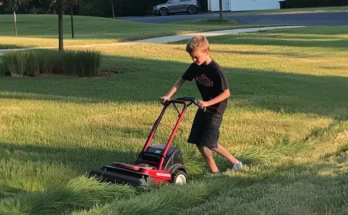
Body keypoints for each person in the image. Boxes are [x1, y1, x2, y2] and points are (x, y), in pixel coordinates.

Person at [160, 35, 243, 174]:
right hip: (203, 107)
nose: (194, 60)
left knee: (210, 143)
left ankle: (236, 162)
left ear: (206, 52)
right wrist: (168, 96)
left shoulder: (216, 70)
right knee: (198, 141)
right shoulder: (195, 66)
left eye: (196, 57)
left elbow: (226, 93)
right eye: (191, 57)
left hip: (216, 109)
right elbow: (182, 80)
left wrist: (207, 102)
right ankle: (214, 170)